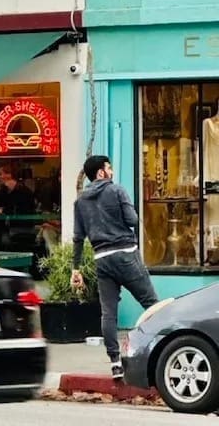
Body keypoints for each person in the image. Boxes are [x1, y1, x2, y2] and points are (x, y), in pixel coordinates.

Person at [71, 155, 158, 381]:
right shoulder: (117, 190)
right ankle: (161, 352)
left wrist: (75, 269)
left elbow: (78, 238)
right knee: (152, 305)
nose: (111, 171)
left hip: (102, 259)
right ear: (101, 172)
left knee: (108, 313)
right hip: (126, 254)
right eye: (108, 168)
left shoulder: (80, 202)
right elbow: (132, 220)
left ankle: (115, 363)